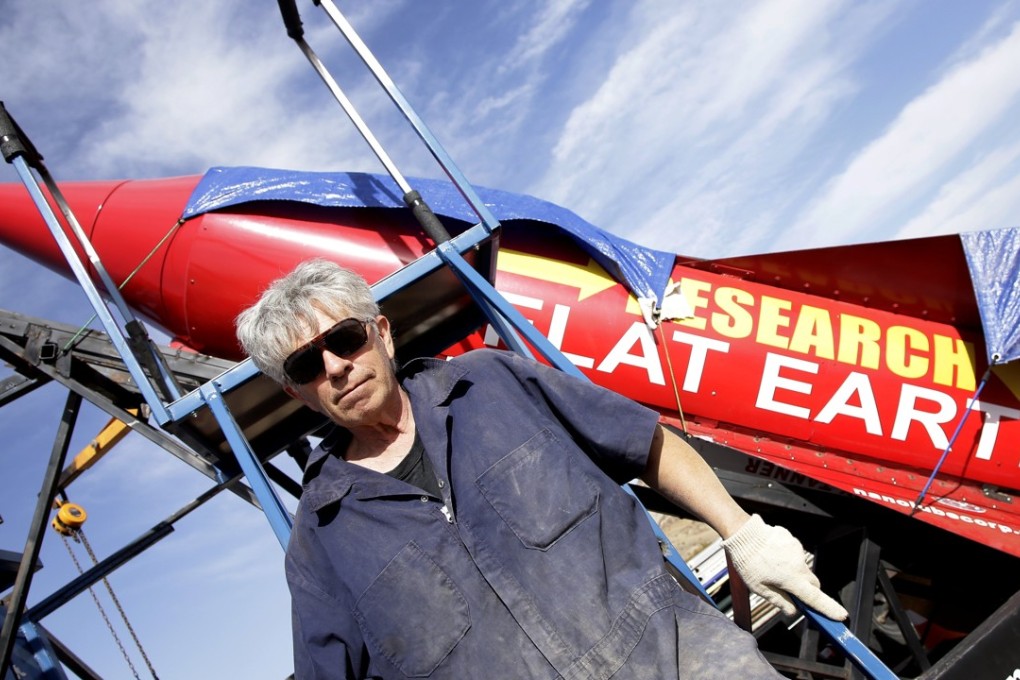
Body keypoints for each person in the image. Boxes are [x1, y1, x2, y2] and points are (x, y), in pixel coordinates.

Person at [236, 258, 848, 680]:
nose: (336, 367)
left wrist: (742, 534)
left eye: (344, 339)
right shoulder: (324, 534)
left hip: (684, 659)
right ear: (296, 393)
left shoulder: (493, 383)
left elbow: (644, 443)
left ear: (382, 335)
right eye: (306, 366)